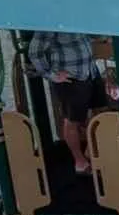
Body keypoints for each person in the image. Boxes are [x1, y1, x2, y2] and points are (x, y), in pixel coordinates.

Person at [22, 29, 111, 172]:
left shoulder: (77, 15)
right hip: (70, 78)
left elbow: (93, 34)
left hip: (90, 71)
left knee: (100, 109)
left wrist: (102, 34)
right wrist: (52, 75)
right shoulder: (51, 21)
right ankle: (80, 162)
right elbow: (35, 52)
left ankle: (91, 151)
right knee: (72, 120)